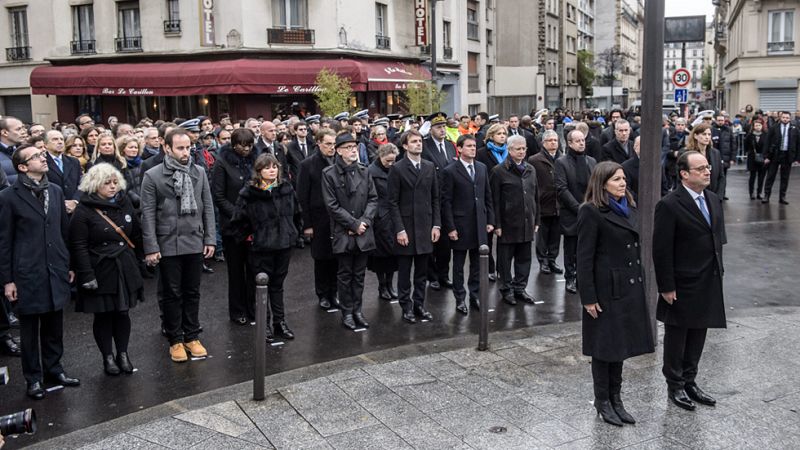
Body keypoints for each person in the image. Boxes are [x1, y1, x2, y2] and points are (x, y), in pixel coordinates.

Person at [577, 161, 654, 426]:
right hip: (605, 290)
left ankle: (616, 399)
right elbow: (583, 258)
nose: (623, 183)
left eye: (623, 178)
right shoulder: (591, 211)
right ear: (602, 183)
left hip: (627, 287)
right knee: (604, 347)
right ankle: (602, 401)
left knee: (619, 346)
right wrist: (588, 298)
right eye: (616, 179)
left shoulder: (628, 207)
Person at [0, 144, 80, 400]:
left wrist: (69, 264)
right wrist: (7, 280)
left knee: (54, 325)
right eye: (36, 156)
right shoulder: (8, 197)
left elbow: (63, 230)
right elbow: (4, 241)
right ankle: (33, 378)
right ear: (23, 167)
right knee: (30, 330)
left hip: (55, 267)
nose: (43, 158)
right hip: (27, 272)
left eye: (42, 154)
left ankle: (54, 370)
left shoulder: (54, 190)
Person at [653, 151, 727, 412]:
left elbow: (717, 238)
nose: (708, 171)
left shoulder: (713, 198)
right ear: (684, 174)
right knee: (678, 335)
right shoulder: (669, 204)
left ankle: (690, 380)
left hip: (708, 279)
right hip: (682, 282)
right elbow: (661, 249)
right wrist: (666, 286)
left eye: (708, 167)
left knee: (699, 332)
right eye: (701, 168)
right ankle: (675, 384)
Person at [141, 129, 216, 363]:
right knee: (172, 293)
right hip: (167, 242)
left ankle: (192, 336)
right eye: (180, 148)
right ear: (167, 148)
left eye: (188, 148)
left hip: (194, 239)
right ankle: (175, 339)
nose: (186, 152)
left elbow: (208, 206)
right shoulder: (152, 175)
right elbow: (147, 213)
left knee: (192, 291)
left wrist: (210, 238)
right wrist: (151, 247)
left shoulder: (199, 171)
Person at [69, 164, 143, 375]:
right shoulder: (83, 210)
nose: (113, 187)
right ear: (95, 185)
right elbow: (78, 245)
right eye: (107, 183)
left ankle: (123, 354)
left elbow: (135, 232)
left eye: (115, 182)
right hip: (100, 268)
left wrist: (142, 259)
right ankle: (108, 357)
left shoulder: (123, 201)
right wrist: (86, 275)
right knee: (103, 315)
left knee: (122, 312)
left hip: (123, 265)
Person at [231, 153, 300, 341]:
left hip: (284, 244)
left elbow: (296, 213)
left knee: (278, 285)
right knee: (262, 286)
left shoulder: (286, 188)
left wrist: (293, 233)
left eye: (274, 167)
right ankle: (264, 325)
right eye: (267, 167)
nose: (272, 170)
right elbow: (238, 220)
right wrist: (251, 236)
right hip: (261, 247)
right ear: (259, 171)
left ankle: (280, 322)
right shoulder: (249, 193)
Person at [322, 133, 378, 330]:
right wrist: (353, 224)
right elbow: (332, 205)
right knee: (345, 275)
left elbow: (373, 199)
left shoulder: (364, 171)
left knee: (359, 275)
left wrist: (364, 222)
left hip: (363, 231)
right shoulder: (329, 174)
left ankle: (357, 310)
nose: (353, 150)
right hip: (343, 232)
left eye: (354, 146)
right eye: (348, 147)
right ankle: (347, 312)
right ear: (338, 151)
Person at [388, 129, 440, 324]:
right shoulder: (397, 168)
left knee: (422, 271)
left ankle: (419, 304)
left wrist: (436, 225)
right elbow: (392, 202)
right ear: (405, 146)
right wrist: (399, 229)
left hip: (425, 226)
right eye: (414, 141)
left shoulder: (429, 166)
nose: (418, 144)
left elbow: (435, 198)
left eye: (420, 141)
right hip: (407, 227)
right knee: (404, 271)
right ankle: (406, 306)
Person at [442, 134, 494, 314]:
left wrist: (490, 220)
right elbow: (446, 202)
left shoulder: (481, 168)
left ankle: (475, 295)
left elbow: (487, 195)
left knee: (477, 264)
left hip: (479, 223)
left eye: (474, 146)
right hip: (460, 225)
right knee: (458, 266)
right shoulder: (450, 171)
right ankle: (459, 298)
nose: (473, 149)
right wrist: (450, 227)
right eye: (469, 146)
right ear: (459, 148)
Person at [212, 128, 257, 325]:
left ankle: (253, 307)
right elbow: (219, 196)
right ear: (233, 145)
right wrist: (238, 215)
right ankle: (238, 310)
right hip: (233, 225)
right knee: (236, 271)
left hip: (254, 224)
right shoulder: (222, 163)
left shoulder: (257, 160)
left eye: (249, 146)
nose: (246, 150)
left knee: (254, 270)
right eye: (242, 146)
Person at [491, 134, 539, 305]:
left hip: (527, 222)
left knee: (524, 259)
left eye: (524, 148)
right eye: (518, 149)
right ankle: (506, 289)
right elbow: (494, 200)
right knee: (505, 260)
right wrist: (497, 224)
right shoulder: (499, 171)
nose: (521, 152)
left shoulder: (530, 169)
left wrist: (536, 219)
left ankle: (520, 288)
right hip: (508, 223)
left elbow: (535, 196)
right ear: (509, 150)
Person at [297, 129, 341, 310]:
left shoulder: (339, 161)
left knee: (337, 257)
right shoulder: (308, 165)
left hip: (338, 218)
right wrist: (307, 224)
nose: (332, 148)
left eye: (334, 144)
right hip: (318, 218)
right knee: (321, 258)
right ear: (319, 143)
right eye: (328, 144)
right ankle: (322, 294)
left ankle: (334, 292)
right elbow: (302, 196)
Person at [555, 129, 597, 294]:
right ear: (570, 143)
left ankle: (583, 277)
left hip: (590, 211)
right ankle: (570, 277)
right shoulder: (562, 162)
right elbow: (561, 188)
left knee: (588, 247)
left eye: (583, 140)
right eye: (578, 141)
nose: (581, 143)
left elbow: (596, 186)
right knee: (571, 247)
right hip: (571, 212)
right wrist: (578, 208)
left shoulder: (591, 161)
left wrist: (592, 206)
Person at [421, 113, 457, 290]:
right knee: (431, 240)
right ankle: (432, 275)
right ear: (431, 129)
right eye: (438, 127)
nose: (442, 130)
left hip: (448, 198)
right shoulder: (424, 146)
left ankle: (443, 274)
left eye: (444, 126)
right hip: (430, 198)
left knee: (445, 242)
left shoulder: (450, 145)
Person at [476, 123, 510, 281]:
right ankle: (489, 267)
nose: (502, 136)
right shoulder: (482, 153)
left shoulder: (509, 152)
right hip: (489, 196)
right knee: (488, 235)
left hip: (506, 198)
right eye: (499, 133)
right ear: (491, 136)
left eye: (504, 133)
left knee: (504, 237)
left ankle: (502, 269)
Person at [367, 143, 399, 301]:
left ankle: (390, 284)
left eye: (393, 160)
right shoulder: (371, 172)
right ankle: (382, 285)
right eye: (388, 161)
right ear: (380, 156)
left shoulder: (395, 169)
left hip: (394, 216)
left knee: (393, 253)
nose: (391, 164)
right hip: (379, 218)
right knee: (381, 254)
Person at [529, 130, 562, 275]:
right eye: (550, 140)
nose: (553, 143)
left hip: (559, 204)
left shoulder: (562, 158)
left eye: (555, 140)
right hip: (543, 203)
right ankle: (543, 261)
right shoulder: (535, 160)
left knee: (555, 236)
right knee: (542, 236)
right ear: (543, 143)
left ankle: (552, 259)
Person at [763, 111, 800, 205]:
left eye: (787, 118)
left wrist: (797, 158)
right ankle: (766, 195)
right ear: (780, 117)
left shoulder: (795, 129)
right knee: (770, 176)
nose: (785, 119)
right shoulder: (774, 127)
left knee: (785, 177)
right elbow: (767, 142)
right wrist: (766, 156)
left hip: (787, 155)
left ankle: (782, 197)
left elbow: (798, 144)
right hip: (775, 154)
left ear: (790, 118)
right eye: (783, 117)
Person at [679, 124, 724, 195]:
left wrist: (719, 197)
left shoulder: (715, 153)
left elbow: (721, 177)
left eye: (709, 134)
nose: (707, 137)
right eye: (704, 134)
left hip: (713, 195)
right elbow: (680, 177)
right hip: (692, 194)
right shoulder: (685, 153)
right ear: (695, 136)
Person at [43, 130, 81, 214]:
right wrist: (63, 203)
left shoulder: (74, 162)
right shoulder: (42, 162)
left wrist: (75, 201)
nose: (60, 142)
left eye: (61, 139)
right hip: (53, 209)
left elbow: (81, 184)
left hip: (75, 210)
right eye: (55, 139)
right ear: (45, 145)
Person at [744, 119, 768, 200]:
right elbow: (746, 145)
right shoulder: (750, 135)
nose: (758, 127)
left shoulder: (765, 135)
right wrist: (749, 152)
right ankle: (751, 193)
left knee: (761, 177)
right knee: (752, 176)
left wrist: (766, 156)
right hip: (752, 158)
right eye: (756, 125)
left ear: (762, 126)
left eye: (759, 125)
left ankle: (759, 193)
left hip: (762, 157)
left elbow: (767, 146)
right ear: (753, 126)